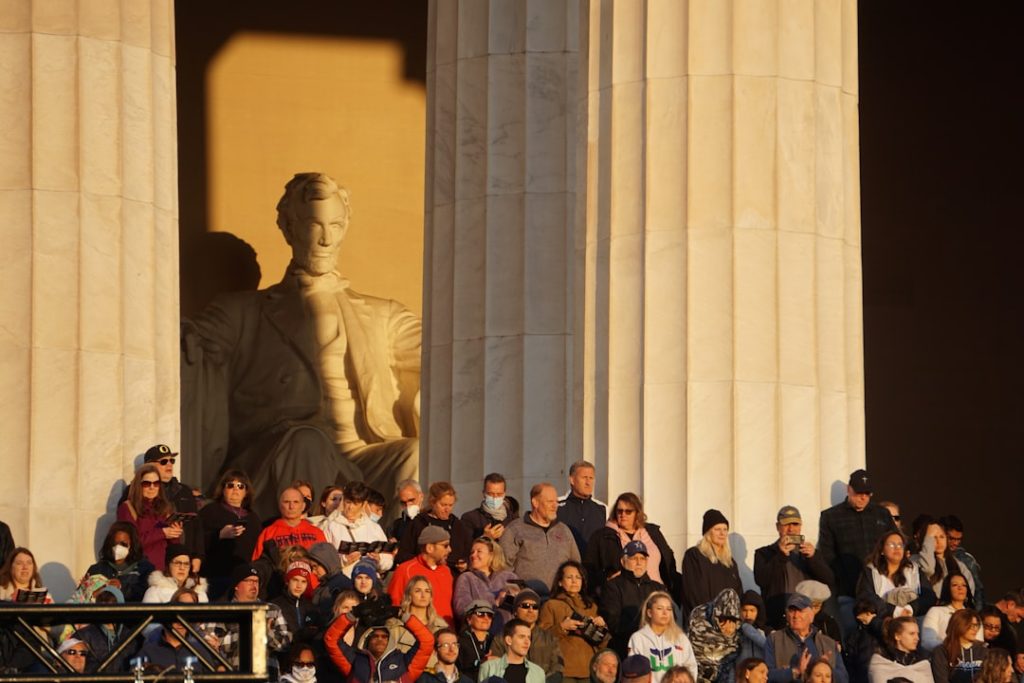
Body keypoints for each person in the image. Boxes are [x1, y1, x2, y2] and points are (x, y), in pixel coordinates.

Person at [181, 172, 421, 521]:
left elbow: (441, 357)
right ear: (287, 227)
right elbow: (194, 341)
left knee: (416, 452)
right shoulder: (242, 311)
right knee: (307, 439)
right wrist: (185, 338)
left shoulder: (384, 314)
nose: (325, 239)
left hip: (360, 456)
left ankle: (401, 550)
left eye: (335, 225)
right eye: (312, 225)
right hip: (274, 453)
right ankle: (308, 554)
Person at [817, 469, 896, 638]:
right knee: (854, 638)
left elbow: (896, 544)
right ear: (848, 489)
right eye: (859, 493)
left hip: (883, 591)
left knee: (888, 635)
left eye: (867, 494)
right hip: (849, 592)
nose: (863, 498)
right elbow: (827, 555)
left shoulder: (882, 514)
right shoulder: (831, 517)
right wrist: (840, 580)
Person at [585, 493, 680, 598]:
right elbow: (589, 568)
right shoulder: (602, 536)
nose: (623, 514)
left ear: (637, 513)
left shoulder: (653, 532)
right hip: (624, 596)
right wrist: (606, 578)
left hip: (658, 594)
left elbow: (668, 560)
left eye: (628, 511)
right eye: (619, 511)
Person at [753, 506, 835, 629]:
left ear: (800, 527)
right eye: (786, 524)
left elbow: (829, 580)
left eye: (795, 524)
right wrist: (780, 555)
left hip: (807, 619)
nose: (791, 529)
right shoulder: (764, 553)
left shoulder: (810, 553)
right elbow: (761, 580)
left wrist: (813, 558)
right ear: (778, 527)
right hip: (778, 618)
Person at [500, 483, 582, 593]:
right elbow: (503, 566)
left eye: (556, 502)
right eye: (550, 502)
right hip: (529, 600)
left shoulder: (563, 530)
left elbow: (575, 564)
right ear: (535, 503)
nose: (555, 506)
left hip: (559, 599)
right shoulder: (515, 529)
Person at [323, 603, 434, 682]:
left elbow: (426, 641)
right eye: (375, 636)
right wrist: (352, 615)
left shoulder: (404, 663)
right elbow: (331, 639)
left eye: (385, 637)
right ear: (367, 640)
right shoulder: (354, 661)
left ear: (390, 640)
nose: (380, 639)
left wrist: (401, 615)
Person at [539, 560, 609, 683]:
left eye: (578, 577)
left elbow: (603, 644)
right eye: (569, 577)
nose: (574, 581)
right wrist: (562, 627)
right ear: (560, 582)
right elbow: (541, 639)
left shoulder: (591, 606)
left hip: (589, 669)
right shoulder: (551, 605)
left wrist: (602, 627)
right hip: (563, 671)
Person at [199, 469, 262, 599]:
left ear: (246, 491)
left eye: (240, 486)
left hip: (243, 580)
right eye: (230, 485)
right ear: (223, 489)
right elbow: (196, 541)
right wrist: (219, 535)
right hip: (215, 577)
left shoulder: (253, 518)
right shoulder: (209, 511)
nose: (235, 489)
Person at [141, 444, 204, 572]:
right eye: (164, 462)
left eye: (172, 460)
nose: (169, 465)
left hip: (183, 561)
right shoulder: (138, 491)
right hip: (153, 561)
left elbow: (196, 525)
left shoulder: (184, 491)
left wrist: (198, 556)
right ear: (149, 466)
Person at [600, 540, 667, 656]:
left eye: (642, 558)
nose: (639, 562)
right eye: (634, 558)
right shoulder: (613, 586)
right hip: (627, 650)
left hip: (657, 651)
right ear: (623, 561)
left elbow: (670, 619)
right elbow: (614, 622)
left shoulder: (658, 588)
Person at [220, 564, 293, 670]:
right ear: (236, 585)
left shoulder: (272, 610)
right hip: (237, 673)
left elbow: (286, 643)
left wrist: (266, 633)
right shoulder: (223, 611)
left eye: (256, 581)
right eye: (249, 581)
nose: (254, 585)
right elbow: (216, 646)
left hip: (268, 674)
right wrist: (250, 630)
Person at [763, 594, 848, 683]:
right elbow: (766, 675)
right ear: (787, 615)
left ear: (811, 616)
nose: (796, 615)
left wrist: (823, 668)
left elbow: (844, 678)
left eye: (800, 611)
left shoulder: (828, 643)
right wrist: (795, 672)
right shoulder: (774, 640)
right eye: (792, 611)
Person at [320, 480, 394, 577]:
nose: (350, 507)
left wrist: (379, 559)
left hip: (369, 582)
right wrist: (345, 560)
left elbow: (388, 559)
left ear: (364, 504)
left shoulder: (374, 527)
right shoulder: (331, 526)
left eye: (355, 504)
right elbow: (323, 558)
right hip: (343, 582)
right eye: (348, 502)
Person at [395, 481, 473, 572]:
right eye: (443, 505)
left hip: (452, 578)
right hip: (424, 576)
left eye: (450, 505)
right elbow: (403, 555)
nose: (447, 509)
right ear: (432, 502)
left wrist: (465, 563)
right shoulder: (418, 523)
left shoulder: (458, 525)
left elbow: (469, 552)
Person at [117, 463, 181, 572]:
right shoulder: (128, 507)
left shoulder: (165, 508)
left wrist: (175, 533)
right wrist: (162, 533)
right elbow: (130, 543)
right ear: (139, 485)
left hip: (162, 571)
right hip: (138, 571)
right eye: (147, 483)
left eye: (156, 483)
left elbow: (173, 546)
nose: (152, 487)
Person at [856, 532, 934, 620]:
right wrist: (895, 611)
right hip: (883, 622)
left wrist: (910, 609)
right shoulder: (871, 572)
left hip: (913, 620)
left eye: (900, 545)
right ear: (882, 550)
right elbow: (866, 598)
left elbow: (929, 597)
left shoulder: (914, 570)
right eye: (892, 545)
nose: (897, 548)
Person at [680, 510, 743, 618]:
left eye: (725, 529)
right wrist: (711, 617)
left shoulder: (730, 563)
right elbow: (692, 593)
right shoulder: (694, 556)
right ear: (708, 532)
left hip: (727, 625)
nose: (722, 533)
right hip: (702, 623)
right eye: (717, 529)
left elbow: (738, 594)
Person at [388, 526, 455, 626]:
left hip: (445, 634)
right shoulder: (405, 570)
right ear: (429, 548)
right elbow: (395, 605)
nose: (450, 550)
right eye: (445, 546)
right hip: (418, 633)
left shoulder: (446, 571)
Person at [491, 589, 564, 678]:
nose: (530, 610)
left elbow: (558, 667)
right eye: (525, 606)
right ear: (515, 611)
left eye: (535, 607)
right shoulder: (502, 637)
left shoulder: (549, 637)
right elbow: (494, 667)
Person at [453, 536, 520, 632]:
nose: (473, 555)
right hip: (478, 633)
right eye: (472, 552)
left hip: (507, 632)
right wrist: (495, 604)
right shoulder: (466, 578)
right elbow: (462, 608)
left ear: (492, 555)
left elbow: (521, 606)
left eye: (479, 552)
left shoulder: (510, 577)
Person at [628, 591, 698, 683]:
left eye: (669, 609)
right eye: (659, 608)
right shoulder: (638, 638)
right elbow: (634, 673)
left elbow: (691, 667)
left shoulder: (680, 638)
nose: (665, 613)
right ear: (649, 612)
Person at [388, 575, 449, 671]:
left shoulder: (441, 626)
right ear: (409, 595)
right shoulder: (395, 626)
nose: (423, 595)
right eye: (418, 591)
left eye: (427, 591)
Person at [85, 522, 155, 602]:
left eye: (123, 544)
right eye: (114, 543)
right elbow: (81, 598)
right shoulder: (97, 569)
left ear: (132, 544)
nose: (118, 547)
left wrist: (121, 587)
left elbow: (146, 594)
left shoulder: (144, 569)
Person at [252, 487, 328, 560]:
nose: (291, 506)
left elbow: (326, 563)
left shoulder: (317, 533)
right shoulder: (268, 533)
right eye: (286, 502)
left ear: (303, 506)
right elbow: (258, 565)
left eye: (296, 502)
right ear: (280, 506)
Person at [910, 517, 974, 598]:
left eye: (941, 537)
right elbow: (928, 569)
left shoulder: (958, 565)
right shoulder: (915, 560)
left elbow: (969, 591)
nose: (938, 541)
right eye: (933, 537)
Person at [688, 588, 742, 683]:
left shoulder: (739, 632)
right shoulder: (698, 618)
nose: (727, 626)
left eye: (732, 620)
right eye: (723, 619)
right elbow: (690, 653)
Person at [558, 460, 607, 555]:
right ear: (572, 480)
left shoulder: (602, 509)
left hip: (592, 566)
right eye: (584, 478)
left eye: (591, 478)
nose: (588, 482)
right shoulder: (557, 506)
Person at [922, 573, 979, 651]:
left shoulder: (974, 616)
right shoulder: (935, 611)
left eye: (964, 585)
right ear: (947, 589)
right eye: (955, 585)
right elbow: (927, 642)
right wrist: (951, 648)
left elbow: (979, 643)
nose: (960, 588)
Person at [478, 618, 547, 683]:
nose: (527, 642)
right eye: (521, 637)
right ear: (509, 640)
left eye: (529, 638)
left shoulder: (538, 672)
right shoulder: (489, 668)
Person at [867, 616, 934, 683]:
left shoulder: (923, 663)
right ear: (897, 636)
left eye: (917, 634)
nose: (917, 638)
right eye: (912, 634)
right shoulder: (881, 662)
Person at [939, 516, 985, 609]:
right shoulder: (927, 557)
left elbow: (977, 591)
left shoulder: (967, 560)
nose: (955, 543)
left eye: (958, 539)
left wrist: (977, 614)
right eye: (951, 538)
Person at [929, 609, 985, 683]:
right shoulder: (941, 652)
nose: (975, 629)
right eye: (971, 625)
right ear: (959, 625)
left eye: (976, 625)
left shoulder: (984, 652)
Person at [460, 472, 519, 542]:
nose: (495, 498)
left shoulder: (514, 519)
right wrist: (485, 537)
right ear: (484, 493)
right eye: (490, 494)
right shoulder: (470, 518)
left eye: (499, 494)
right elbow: (464, 547)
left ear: (504, 494)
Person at [142, 544, 209, 603]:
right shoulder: (154, 591)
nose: (182, 568)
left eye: (186, 564)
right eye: (177, 563)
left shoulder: (200, 592)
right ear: (168, 565)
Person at [271, 561, 317, 642]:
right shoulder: (275, 606)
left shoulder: (311, 607)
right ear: (287, 581)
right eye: (295, 580)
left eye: (303, 581)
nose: (299, 586)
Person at [456, 599, 494, 679]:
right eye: (480, 614)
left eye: (489, 615)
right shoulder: (460, 642)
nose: (486, 618)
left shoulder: (495, 640)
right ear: (469, 619)